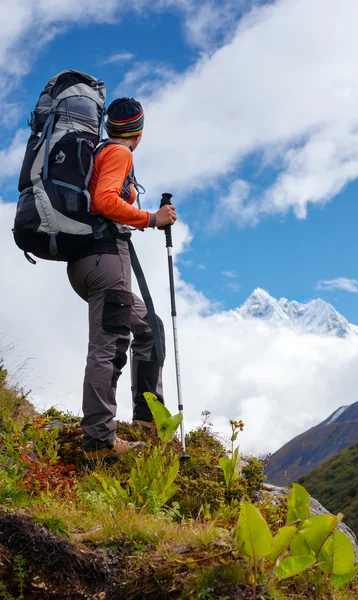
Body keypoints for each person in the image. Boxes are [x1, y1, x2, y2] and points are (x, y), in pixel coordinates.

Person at [67, 97, 177, 461]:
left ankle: (147, 421)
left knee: (150, 328)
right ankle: (99, 442)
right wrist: (151, 218)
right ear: (138, 132)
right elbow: (104, 200)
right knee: (108, 347)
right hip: (107, 261)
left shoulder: (99, 151)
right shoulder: (119, 153)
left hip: (85, 263)